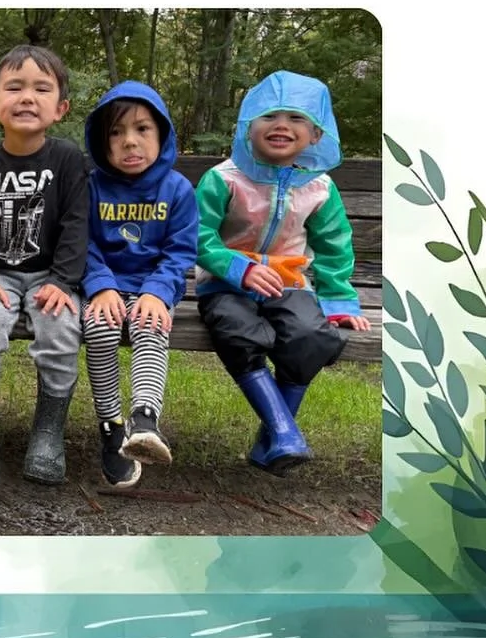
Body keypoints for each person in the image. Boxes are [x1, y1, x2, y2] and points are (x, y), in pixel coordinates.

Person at [195, 71, 372, 473]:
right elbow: (197, 234)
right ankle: (285, 432)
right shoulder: (223, 179)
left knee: (311, 335)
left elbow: (333, 246)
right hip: (225, 286)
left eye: (296, 118)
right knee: (236, 329)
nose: (281, 125)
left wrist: (338, 299)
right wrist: (235, 267)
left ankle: (273, 439)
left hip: (290, 284)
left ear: (316, 135)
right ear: (247, 128)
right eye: (269, 116)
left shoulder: (320, 188)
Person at [0, 45, 89, 486]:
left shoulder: (67, 159)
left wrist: (64, 281)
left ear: (60, 108)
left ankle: (48, 433)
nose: (27, 97)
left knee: (61, 330)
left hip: (52, 276)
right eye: (14, 88)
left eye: (41, 89)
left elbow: (75, 222)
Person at [82, 83, 199, 487]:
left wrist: (157, 292)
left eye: (142, 129)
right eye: (116, 132)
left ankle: (145, 420)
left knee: (151, 325)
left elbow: (181, 251)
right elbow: (83, 243)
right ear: (103, 141)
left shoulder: (178, 189)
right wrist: (100, 286)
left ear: (162, 134)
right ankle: (112, 426)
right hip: (106, 287)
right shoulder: (93, 186)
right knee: (99, 327)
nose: (129, 141)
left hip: (154, 287)